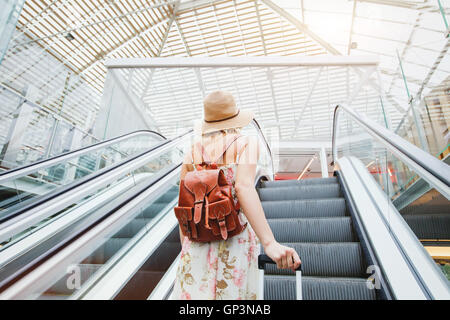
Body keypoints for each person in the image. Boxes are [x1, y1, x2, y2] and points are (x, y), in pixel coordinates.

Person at [170, 90, 301, 300]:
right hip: (233, 238)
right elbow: (243, 187)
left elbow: (184, 206)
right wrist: (269, 242)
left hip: (196, 244)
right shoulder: (245, 143)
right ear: (235, 117)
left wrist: (186, 246)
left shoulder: (191, 152)